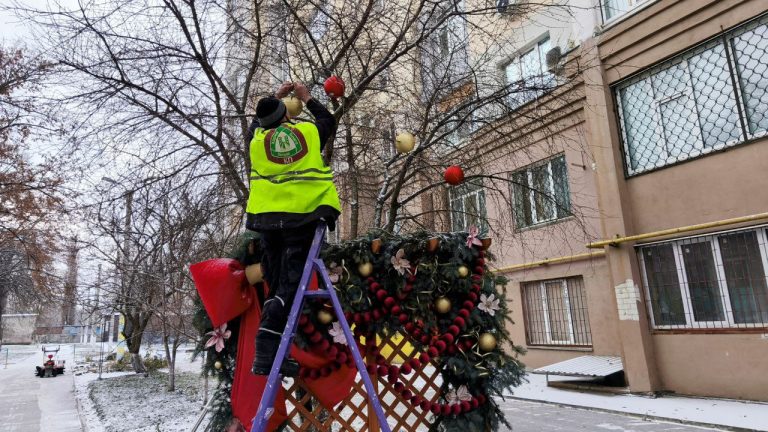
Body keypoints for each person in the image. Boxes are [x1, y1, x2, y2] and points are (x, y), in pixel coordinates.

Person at [245, 81, 341, 376]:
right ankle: (267, 347)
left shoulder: (257, 142)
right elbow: (328, 120)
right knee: (289, 284)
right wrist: (306, 98)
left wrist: (273, 99)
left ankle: (268, 355)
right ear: (286, 114)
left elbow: (253, 127)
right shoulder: (306, 133)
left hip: (267, 220)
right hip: (302, 216)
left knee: (276, 283)